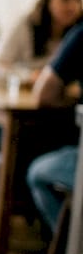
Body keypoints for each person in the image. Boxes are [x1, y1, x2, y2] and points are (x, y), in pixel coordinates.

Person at [26, 21, 83, 235]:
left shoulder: (80, 35)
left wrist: (71, 100)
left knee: (38, 173)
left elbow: (43, 94)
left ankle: (71, 249)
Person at [0, 0, 83, 86]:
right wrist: (29, 76)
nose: (73, 6)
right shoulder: (25, 25)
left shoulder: (79, 31)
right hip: (21, 97)